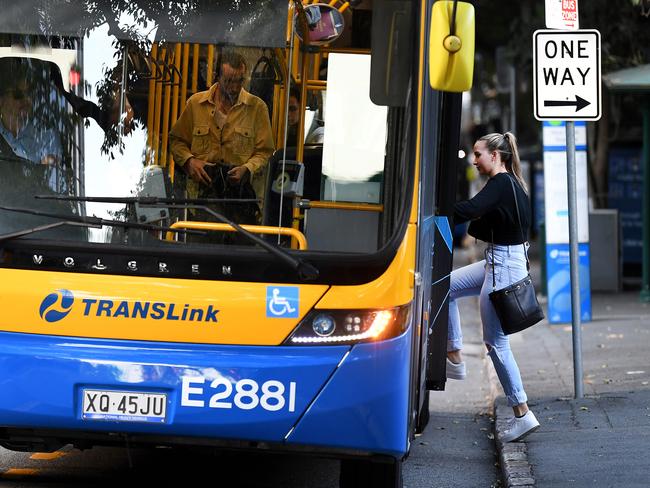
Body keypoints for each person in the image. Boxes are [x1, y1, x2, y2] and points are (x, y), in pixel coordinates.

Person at [447, 132, 540, 443]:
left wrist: (436, 206)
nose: (474, 161)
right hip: (498, 260)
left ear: (496, 155)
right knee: (445, 287)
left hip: (504, 265)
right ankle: (455, 355)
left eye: (478, 154)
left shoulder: (501, 183)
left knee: (496, 344)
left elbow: (470, 210)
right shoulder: (510, 183)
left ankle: (522, 412)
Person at [169, 50, 274, 224]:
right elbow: (176, 141)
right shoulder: (195, 104)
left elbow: (265, 153)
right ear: (216, 77)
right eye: (229, 81)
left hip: (241, 202)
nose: (234, 87)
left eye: (239, 81)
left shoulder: (257, 108)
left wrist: (247, 168)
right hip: (200, 203)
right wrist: (190, 162)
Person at [0, 58, 62, 166]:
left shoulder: (47, 137)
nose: (27, 101)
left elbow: (49, 178)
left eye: (30, 94)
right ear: (1, 100)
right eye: (18, 95)